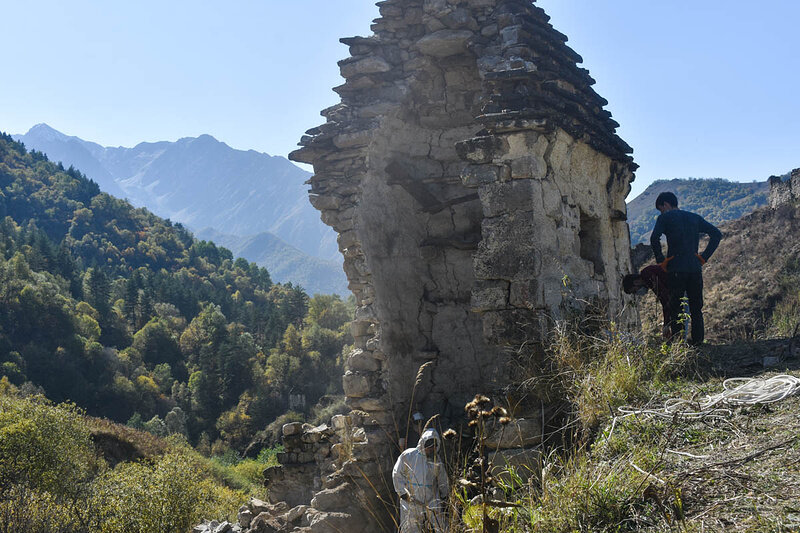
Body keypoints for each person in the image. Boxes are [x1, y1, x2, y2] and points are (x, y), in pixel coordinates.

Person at [650, 192, 722, 345]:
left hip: (675, 268)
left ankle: (678, 344)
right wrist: (703, 257)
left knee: (676, 308)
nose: (661, 212)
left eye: (661, 209)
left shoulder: (665, 218)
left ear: (666, 204)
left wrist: (661, 260)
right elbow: (716, 234)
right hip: (695, 268)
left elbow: (654, 238)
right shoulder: (694, 217)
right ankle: (697, 343)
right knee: (696, 309)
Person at [392, 428, 449, 533]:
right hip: (411, 500)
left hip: (431, 499)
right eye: (430, 447)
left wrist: (445, 494)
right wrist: (402, 493)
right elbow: (396, 474)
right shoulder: (409, 455)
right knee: (410, 528)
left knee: (441, 527)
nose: (432, 450)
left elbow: (442, 479)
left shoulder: (437, 460)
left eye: (434, 447)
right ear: (424, 444)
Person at [623, 264, 671, 338]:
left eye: (635, 291)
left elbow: (665, 298)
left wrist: (666, 324)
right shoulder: (647, 276)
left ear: (636, 282)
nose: (638, 293)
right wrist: (666, 324)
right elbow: (664, 300)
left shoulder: (647, 276)